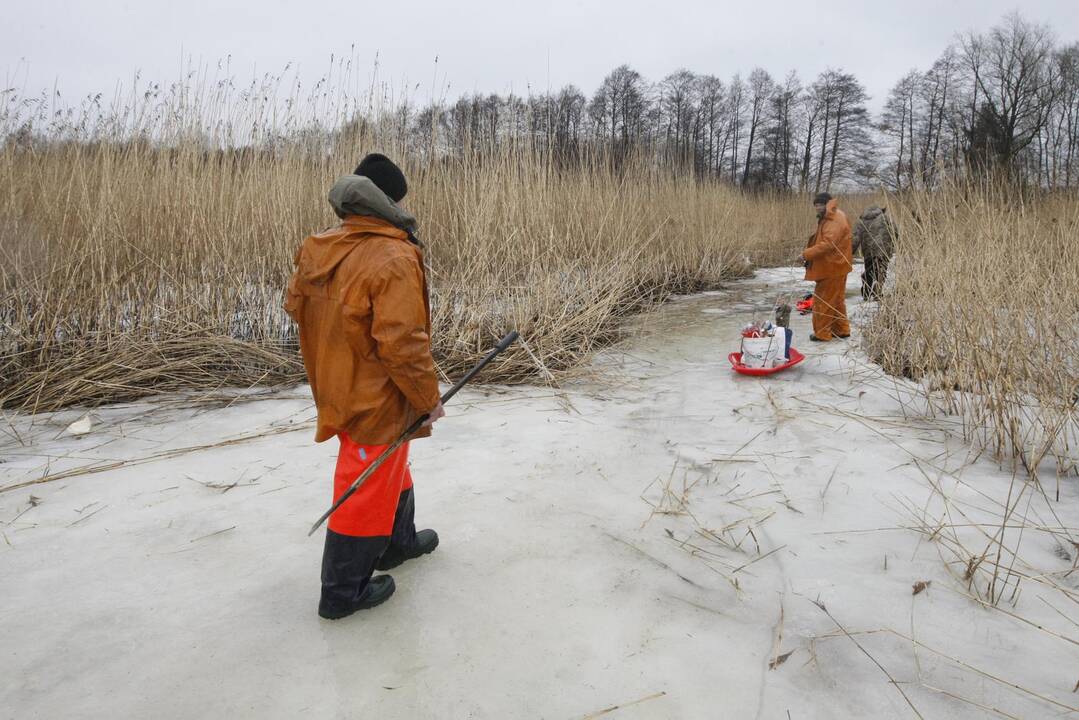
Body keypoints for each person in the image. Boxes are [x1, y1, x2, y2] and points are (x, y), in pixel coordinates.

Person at [285, 153, 444, 620]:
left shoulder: (320, 245)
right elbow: (403, 343)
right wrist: (428, 399)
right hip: (374, 391)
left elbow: (298, 308)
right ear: (388, 201)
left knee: (393, 458)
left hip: (339, 381)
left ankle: (398, 542)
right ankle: (342, 591)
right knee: (365, 481)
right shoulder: (393, 254)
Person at [801, 192, 853, 342]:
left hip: (832, 267)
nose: (817, 208)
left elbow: (828, 244)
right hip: (837, 266)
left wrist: (806, 254)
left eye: (820, 205)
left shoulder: (833, 219)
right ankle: (841, 330)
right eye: (816, 205)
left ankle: (822, 334)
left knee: (822, 302)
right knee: (836, 300)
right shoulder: (834, 216)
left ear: (827, 204)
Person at [851, 205, 898, 301]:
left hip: (868, 251)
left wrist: (851, 251)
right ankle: (878, 292)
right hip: (884, 250)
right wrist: (894, 244)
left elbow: (855, 238)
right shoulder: (885, 218)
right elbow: (895, 231)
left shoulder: (861, 221)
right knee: (881, 270)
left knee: (869, 271)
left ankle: (866, 293)